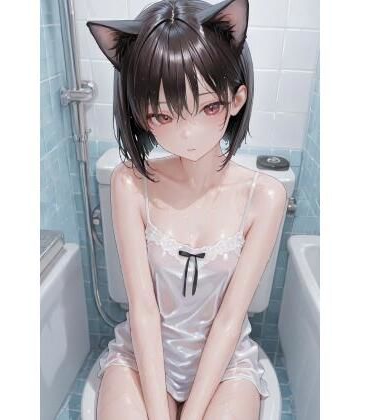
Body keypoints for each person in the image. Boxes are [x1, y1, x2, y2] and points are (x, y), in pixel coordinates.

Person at [87, 1, 287, 419]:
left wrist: (191, 413)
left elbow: (230, 318)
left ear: (236, 100)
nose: (188, 131)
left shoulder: (265, 197)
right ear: (142, 116)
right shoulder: (130, 183)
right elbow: (143, 310)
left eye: (209, 107)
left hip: (225, 364)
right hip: (142, 357)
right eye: (164, 115)